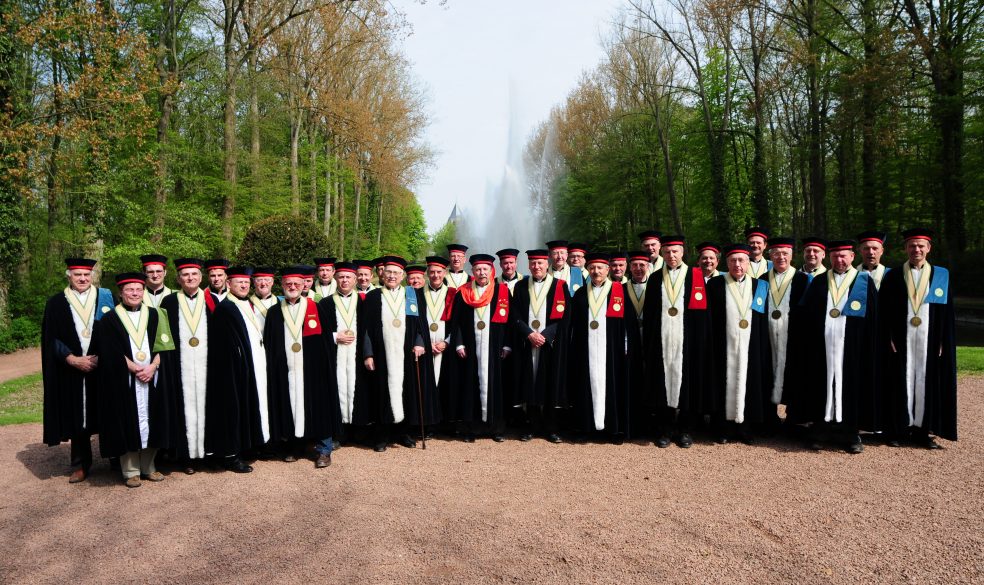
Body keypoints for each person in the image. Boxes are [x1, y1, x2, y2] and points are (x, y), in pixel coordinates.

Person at [794, 240, 878, 453]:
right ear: (829, 258)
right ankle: (819, 430)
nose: (839, 260)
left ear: (852, 257)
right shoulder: (820, 281)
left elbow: (873, 319)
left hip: (852, 348)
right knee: (820, 386)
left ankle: (850, 433)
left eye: (843, 256)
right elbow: (807, 315)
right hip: (821, 348)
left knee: (851, 386)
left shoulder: (863, 282)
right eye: (835, 256)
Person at [878, 228, 957, 449]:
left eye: (921, 245)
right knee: (898, 382)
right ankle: (897, 429)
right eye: (912, 245)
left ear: (928, 248)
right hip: (900, 341)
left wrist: (943, 341)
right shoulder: (893, 276)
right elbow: (883, 312)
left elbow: (947, 313)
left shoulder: (940, 276)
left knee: (926, 381)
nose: (916, 249)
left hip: (929, 340)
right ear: (905, 248)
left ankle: (923, 431)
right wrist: (888, 337)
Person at [95, 272, 175, 488]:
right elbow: (109, 351)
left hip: (153, 377)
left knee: (154, 419)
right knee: (127, 420)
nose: (135, 293)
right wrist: (135, 368)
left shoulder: (156, 314)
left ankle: (149, 466)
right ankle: (130, 470)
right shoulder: (110, 319)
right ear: (121, 293)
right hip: (126, 379)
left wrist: (153, 367)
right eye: (130, 289)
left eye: (139, 289)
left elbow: (165, 346)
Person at [41, 258, 114, 483]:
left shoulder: (105, 297)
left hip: (102, 366)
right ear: (69, 276)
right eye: (77, 275)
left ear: (92, 276)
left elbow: (116, 330)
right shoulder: (56, 303)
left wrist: (102, 356)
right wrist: (71, 359)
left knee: (110, 409)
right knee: (77, 415)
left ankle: (116, 457)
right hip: (71, 368)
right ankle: (80, 464)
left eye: (86, 275)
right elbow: (51, 338)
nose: (82, 279)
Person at [265, 267, 342, 468]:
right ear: (282, 285)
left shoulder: (315, 308)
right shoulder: (274, 312)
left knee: (320, 407)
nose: (292, 287)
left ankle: (324, 450)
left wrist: (324, 368)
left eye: (296, 284)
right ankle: (294, 446)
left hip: (313, 370)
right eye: (288, 284)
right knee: (289, 406)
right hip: (286, 370)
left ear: (303, 285)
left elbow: (326, 341)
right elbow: (270, 344)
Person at [358, 256, 436, 451]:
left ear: (402, 276)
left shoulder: (412, 295)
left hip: (406, 354)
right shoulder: (374, 297)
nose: (392, 276)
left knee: (407, 392)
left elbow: (421, 325)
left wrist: (419, 343)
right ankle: (382, 436)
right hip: (382, 354)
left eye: (396, 273)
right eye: (388, 272)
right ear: (382, 274)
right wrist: (368, 354)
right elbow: (365, 329)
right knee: (382, 393)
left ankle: (403, 433)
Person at [643, 236, 709, 448]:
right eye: (667, 252)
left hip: (686, 340)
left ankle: (685, 430)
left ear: (682, 252)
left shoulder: (696, 276)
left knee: (687, 384)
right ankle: (665, 429)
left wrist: (699, 343)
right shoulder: (655, 279)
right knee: (662, 385)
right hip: (662, 341)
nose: (671, 256)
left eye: (675, 252)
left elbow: (702, 314)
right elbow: (650, 314)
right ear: (662, 253)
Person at [568, 252, 641, 442]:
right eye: (592, 268)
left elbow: (629, 324)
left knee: (614, 386)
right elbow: (572, 324)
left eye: (600, 268)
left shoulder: (620, 291)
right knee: (585, 386)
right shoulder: (580, 294)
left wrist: (626, 346)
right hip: (586, 350)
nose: (596, 271)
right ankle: (586, 428)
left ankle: (613, 429)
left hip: (612, 351)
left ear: (607, 270)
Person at [205, 266, 269, 473]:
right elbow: (223, 345)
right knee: (233, 410)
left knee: (247, 406)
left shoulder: (245, 304)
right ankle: (231, 455)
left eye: (246, 282)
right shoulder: (225, 308)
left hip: (251, 366)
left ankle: (247, 446)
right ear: (229, 284)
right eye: (239, 282)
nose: (243, 285)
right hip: (233, 370)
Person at [706, 244, 772, 444]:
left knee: (750, 383)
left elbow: (762, 319)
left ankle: (746, 427)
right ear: (726, 263)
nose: (737, 264)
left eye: (741, 260)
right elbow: (709, 318)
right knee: (723, 383)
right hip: (723, 345)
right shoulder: (715, 284)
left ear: (748, 263)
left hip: (751, 345)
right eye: (733, 260)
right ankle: (723, 428)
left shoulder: (759, 286)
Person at [159, 258, 219, 474]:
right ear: (178, 279)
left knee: (209, 406)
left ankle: (209, 453)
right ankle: (186, 456)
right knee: (182, 407)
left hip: (207, 364)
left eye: (194, 274)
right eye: (185, 275)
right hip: (180, 365)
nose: (190, 278)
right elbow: (163, 336)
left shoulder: (211, 300)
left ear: (201, 277)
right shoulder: (169, 302)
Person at [447, 253, 513, 442]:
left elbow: (510, 321)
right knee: (470, 386)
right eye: (478, 269)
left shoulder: (502, 291)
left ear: (491, 271)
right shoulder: (463, 292)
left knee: (496, 386)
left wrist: (507, 344)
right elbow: (456, 322)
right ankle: (471, 429)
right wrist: (459, 343)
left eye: (485, 269)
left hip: (495, 348)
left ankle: (496, 428)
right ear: (473, 271)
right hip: (470, 348)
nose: (482, 272)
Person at [508, 249, 570, 443]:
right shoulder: (520, 286)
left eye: (540, 263)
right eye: (533, 263)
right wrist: (528, 333)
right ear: (528, 265)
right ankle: (531, 426)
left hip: (549, 344)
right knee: (529, 382)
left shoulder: (559, 285)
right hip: (527, 343)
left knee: (549, 381)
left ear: (547, 264)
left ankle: (551, 428)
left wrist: (545, 335)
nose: (536, 267)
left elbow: (565, 316)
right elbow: (514, 314)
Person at [760, 238, 810, 431]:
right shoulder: (762, 280)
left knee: (795, 375)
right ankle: (769, 419)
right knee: (767, 375)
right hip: (767, 338)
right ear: (770, 256)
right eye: (776, 254)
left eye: (785, 253)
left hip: (794, 338)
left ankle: (793, 420)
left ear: (791, 255)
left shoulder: (803, 280)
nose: (781, 257)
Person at [319, 262, 362, 432]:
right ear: (335, 278)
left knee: (359, 389)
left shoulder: (363, 302)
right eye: (341, 277)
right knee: (336, 389)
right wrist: (335, 336)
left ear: (355, 280)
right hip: (334, 354)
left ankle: (358, 430)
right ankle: (339, 431)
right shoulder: (325, 303)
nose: (345, 280)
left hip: (358, 355)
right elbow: (320, 332)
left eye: (348, 277)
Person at [421, 256, 457, 430]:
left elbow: (458, 323)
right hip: (425, 347)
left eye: (439, 272)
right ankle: (428, 424)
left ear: (444, 273)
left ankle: (446, 424)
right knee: (425, 386)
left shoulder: (453, 294)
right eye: (432, 272)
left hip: (445, 347)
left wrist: (447, 342)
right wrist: (425, 343)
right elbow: (413, 323)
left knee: (446, 385)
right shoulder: (417, 294)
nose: (435, 275)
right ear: (427, 273)